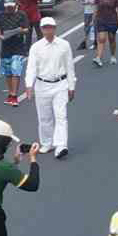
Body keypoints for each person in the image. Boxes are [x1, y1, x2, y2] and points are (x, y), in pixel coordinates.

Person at [24, 16, 76, 159]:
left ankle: (61, 145)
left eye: (51, 27)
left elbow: (69, 67)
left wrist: (72, 86)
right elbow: (31, 68)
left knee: (61, 116)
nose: (48, 30)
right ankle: (47, 143)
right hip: (42, 86)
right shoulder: (36, 47)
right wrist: (29, 86)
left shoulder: (64, 45)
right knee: (45, 117)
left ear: (55, 28)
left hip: (60, 85)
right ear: (41, 29)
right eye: (45, 28)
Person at [0, 0, 30, 106]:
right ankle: (10, 93)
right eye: (7, 7)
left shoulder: (21, 15)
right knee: (8, 72)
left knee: (16, 70)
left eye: (11, 6)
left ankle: (14, 95)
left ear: (15, 5)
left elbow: (26, 29)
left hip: (18, 47)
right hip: (5, 47)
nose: (9, 9)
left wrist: (18, 31)